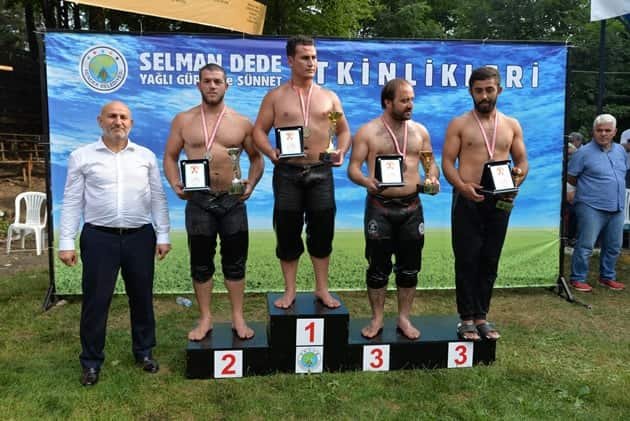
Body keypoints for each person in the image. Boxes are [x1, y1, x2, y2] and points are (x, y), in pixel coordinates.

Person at [58, 101, 171, 386]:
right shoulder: (81, 156)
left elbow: (157, 197)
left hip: (140, 237)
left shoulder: (145, 156)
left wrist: (163, 235)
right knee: (96, 301)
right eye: (112, 116)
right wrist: (66, 241)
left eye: (123, 117)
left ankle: (144, 352)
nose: (118, 121)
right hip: (99, 238)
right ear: (100, 121)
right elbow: (71, 200)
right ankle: (91, 362)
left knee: (142, 298)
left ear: (131, 123)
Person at [163, 63, 264, 341]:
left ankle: (237, 317)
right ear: (198, 84)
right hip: (199, 201)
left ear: (226, 85)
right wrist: (174, 182)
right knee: (200, 263)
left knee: (235, 262)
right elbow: (170, 156)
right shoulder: (183, 120)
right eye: (207, 81)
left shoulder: (241, 122)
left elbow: (257, 158)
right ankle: (205, 318)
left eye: (217, 81)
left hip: (232, 200)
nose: (212, 86)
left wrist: (251, 184)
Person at [252, 35, 351, 309]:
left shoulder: (329, 97)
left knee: (322, 231)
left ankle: (322, 289)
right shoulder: (275, 97)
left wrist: (341, 151)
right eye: (305, 57)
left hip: (321, 172)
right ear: (290, 60)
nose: (311, 63)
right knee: (287, 231)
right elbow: (258, 131)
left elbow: (343, 131)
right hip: (287, 173)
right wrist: (271, 152)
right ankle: (290, 290)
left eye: (314, 57)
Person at [348, 78, 439, 340]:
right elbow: (353, 168)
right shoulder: (367, 132)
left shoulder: (420, 131)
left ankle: (404, 318)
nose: (410, 105)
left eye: (412, 99)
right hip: (380, 208)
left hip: (412, 207)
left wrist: (432, 178)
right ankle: (377, 318)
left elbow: (430, 164)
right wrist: (366, 181)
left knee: (410, 268)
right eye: (404, 100)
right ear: (388, 102)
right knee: (378, 268)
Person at [442, 67, 528, 341]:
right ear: (471, 91)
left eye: (489, 90)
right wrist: (461, 186)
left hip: (499, 199)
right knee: (467, 259)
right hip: (468, 197)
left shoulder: (511, 125)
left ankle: (482, 316)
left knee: (490, 259)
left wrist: (516, 183)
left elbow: (522, 162)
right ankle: (466, 318)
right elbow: (447, 163)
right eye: (478, 90)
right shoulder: (459, 124)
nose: (484, 95)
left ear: (499, 90)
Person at [568, 114, 628, 292]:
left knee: (614, 245)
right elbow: (571, 177)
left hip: (617, 205)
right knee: (586, 244)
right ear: (593, 131)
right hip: (590, 205)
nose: (603, 134)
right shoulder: (583, 153)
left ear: (615, 132)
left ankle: (607, 277)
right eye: (599, 130)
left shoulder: (621, 151)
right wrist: (572, 194)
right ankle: (578, 278)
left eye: (607, 130)